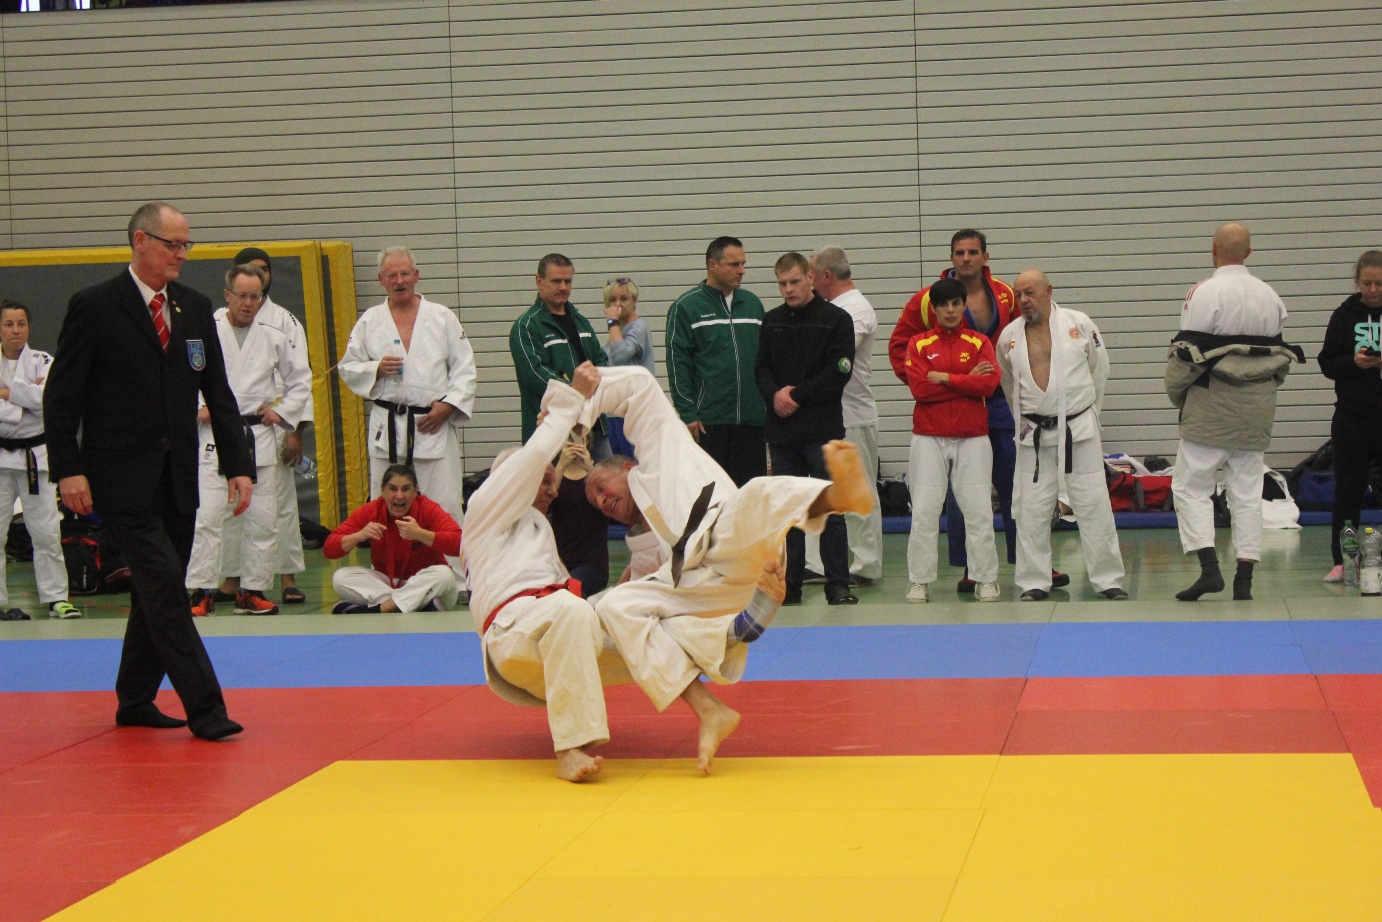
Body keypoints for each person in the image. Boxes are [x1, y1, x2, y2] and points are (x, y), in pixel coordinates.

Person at [579, 365, 874, 772]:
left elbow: (638, 386)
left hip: (727, 530)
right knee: (618, 608)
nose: (602, 502)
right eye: (597, 505)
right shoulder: (642, 543)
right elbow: (633, 599)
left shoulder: (661, 449)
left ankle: (834, 497)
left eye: (601, 488)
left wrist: (575, 409)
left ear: (627, 469)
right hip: (702, 583)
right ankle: (712, 704)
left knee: (753, 495)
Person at [44, 201, 252, 741]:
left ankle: (134, 699)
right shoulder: (95, 306)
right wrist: (68, 470)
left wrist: (239, 465)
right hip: (119, 477)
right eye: (172, 244)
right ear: (140, 241)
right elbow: (62, 398)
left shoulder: (193, 307)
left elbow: (218, 393)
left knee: (155, 592)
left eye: (186, 245)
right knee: (165, 590)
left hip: (178, 474)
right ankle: (206, 708)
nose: (181, 254)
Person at [462, 363, 629, 782]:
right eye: (547, 481)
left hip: (551, 636)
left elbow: (570, 593)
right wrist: (570, 402)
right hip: (512, 633)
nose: (554, 491)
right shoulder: (486, 506)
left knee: (643, 615)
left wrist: (629, 593)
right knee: (570, 610)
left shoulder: (536, 532)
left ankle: (737, 630)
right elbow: (533, 458)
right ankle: (570, 747)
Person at [888, 231, 1062, 592]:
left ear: (985, 257)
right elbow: (900, 346)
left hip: (1000, 400)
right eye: (959, 252)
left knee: (1016, 485)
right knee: (958, 496)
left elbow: (1024, 337)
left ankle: (1033, 562)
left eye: (972, 252)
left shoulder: (1005, 294)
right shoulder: (928, 299)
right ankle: (970, 567)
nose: (966, 258)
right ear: (951, 258)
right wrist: (935, 387)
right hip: (946, 412)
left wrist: (1019, 385)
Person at [1168, 223, 1299, 601]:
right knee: (1247, 492)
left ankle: (1210, 569)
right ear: (1249, 253)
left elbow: (1188, 355)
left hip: (1211, 403)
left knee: (1190, 487)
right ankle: (1244, 579)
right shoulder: (1271, 297)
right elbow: (1277, 358)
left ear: (1213, 250)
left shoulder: (1204, 293)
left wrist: (1177, 394)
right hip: (1257, 407)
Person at [184, 264, 312, 618]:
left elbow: (301, 379)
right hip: (216, 435)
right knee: (208, 516)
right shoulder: (205, 331)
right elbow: (180, 376)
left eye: (256, 296)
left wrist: (282, 412)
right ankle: (201, 591)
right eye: (241, 296)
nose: (248, 303)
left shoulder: (274, 335)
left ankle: (251, 591)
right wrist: (197, 407)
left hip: (258, 435)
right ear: (227, 295)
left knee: (263, 519)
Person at [995, 269, 1128, 602]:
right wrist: (1025, 419)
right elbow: (1009, 384)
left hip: (1078, 430)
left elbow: (1100, 370)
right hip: (1033, 434)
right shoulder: (1009, 336)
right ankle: (1034, 581)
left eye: (1029, 292)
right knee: (1031, 509)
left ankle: (1107, 579)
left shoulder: (1078, 323)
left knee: (1093, 504)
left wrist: (1089, 413)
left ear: (1048, 291)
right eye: (1018, 294)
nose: (1023, 300)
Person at [338, 246, 476, 561]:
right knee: (385, 505)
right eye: (392, 275)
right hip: (387, 425)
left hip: (432, 422)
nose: (399, 281)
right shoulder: (370, 321)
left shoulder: (442, 317)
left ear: (416, 275)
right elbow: (348, 367)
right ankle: (390, 574)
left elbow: (465, 369)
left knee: (445, 503)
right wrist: (375, 368)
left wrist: (449, 406)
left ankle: (456, 577)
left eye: (404, 274)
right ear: (381, 279)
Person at [754, 251, 857, 606]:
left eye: (795, 282)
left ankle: (838, 584)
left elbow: (839, 371)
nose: (788, 289)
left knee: (830, 510)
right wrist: (774, 395)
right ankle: (790, 586)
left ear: (811, 278)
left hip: (822, 429)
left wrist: (795, 396)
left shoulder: (836, 319)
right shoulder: (771, 322)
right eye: (782, 284)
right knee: (788, 514)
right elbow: (761, 370)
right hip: (782, 433)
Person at [901, 278, 1002, 603]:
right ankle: (919, 581)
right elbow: (920, 390)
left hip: (973, 437)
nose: (950, 310)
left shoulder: (979, 342)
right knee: (925, 511)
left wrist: (945, 378)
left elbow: (989, 385)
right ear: (934, 308)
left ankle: (986, 579)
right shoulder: (918, 344)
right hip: (928, 437)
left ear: (963, 306)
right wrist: (966, 381)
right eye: (943, 304)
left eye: (956, 303)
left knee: (979, 511)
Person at [806, 246, 883, 586]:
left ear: (825, 276)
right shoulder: (827, 309)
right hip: (822, 413)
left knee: (858, 489)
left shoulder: (856, 309)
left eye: (811, 275)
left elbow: (832, 357)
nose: (808, 282)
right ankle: (816, 563)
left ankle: (866, 564)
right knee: (820, 488)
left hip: (853, 414)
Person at [0, 299, 80, 621]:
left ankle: (56, 598)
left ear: (29, 327)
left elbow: (49, 399)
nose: (16, 330)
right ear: (0, 329)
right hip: (1, 459)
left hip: (35, 458)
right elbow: (34, 403)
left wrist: (7, 393)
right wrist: (25, 400)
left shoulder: (44, 361)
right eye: (9, 324)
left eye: (21, 324)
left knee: (46, 532)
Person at [665, 236, 767, 487]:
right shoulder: (686, 307)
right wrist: (687, 413)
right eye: (734, 264)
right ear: (712, 265)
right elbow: (678, 365)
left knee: (749, 496)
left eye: (743, 264)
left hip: (752, 421)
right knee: (712, 495)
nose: (741, 270)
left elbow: (766, 360)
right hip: (709, 423)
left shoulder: (752, 304)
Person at [1320, 250, 1382, 582]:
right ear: (1357, 281)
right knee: (1348, 491)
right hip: (1353, 417)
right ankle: (1343, 559)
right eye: (1367, 283)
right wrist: (1353, 362)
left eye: (1380, 283)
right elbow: (1327, 362)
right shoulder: (1344, 316)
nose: (1373, 290)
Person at [510, 254, 610, 457]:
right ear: (539, 281)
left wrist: (593, 387)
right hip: (552, 430)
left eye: (568, 281)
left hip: (595, 428)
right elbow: (535, 374)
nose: (563, 287)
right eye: (556, 281)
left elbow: (601, 361)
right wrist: (576, 392)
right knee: (558, 480)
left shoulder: (581, 322)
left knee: (606, 477)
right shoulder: (526, 327)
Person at [324, 464, 459, 614]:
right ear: (382, 491)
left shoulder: (428, 508)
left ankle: (381, 609)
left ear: (415, 491)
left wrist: (420, 534)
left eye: (406, 489)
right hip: (392, 585)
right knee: (340, 578)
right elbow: (329, 548)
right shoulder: (371, 511)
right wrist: (358, 536)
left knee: (445, 575)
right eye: (393, 489)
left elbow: (459, 543)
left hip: (426, 583)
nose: (399, 496)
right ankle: (418, 605)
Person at [600, 276, 654, 458]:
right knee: (617, 466)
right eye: (613, 300)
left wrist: (612, 322)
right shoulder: (617, 332)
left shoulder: (638, 327)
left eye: (623, 299)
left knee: (633, 465)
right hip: (613, 414)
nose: (618, 304)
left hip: (633, 414)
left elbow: (622, 354)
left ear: (634, 301)